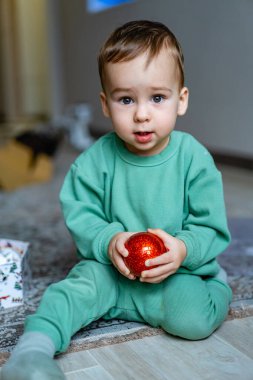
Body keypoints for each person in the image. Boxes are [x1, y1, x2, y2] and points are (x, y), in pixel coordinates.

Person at [1, 20, 232, 380]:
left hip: (174, 272)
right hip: (110, 271)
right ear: (106, 105)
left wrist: (183, 250)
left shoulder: (194, 159)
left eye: (157, 98)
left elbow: (210, 227)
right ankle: (31, 354)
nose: (142, 114)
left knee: (193, 319)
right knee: (69, 293)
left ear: (180, 100)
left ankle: (217, 286)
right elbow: (82, 213)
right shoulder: (94, 160)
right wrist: (110, 240)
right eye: (126, 99)